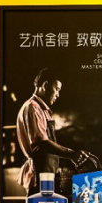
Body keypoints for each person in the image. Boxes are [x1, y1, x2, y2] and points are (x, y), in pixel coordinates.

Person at [16, 67, 92, 195]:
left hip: (47, 175)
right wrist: (71, 154)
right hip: (40, 176)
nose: (58, 94)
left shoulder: (42, 110)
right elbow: (41, 144)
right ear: (45, 85)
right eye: (57, 89)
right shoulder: (33, 108)